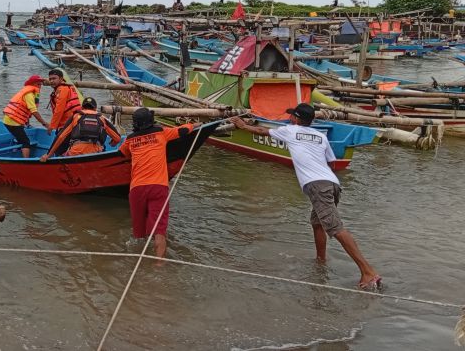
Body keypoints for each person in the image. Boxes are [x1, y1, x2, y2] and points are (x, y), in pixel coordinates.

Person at [230, 104, 381, 290]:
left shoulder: (290, 130)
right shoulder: (320, 136)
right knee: (317, 224)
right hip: (332, 183)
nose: (290, 118)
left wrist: (243, 126)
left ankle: (367, 271)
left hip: (317, 186)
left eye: (292, 116)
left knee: (335, 228)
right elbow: (331, 162)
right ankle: (321, 261)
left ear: (296, 119)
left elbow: (262, 130)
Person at [118, 108, 195, 260]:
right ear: (151, 121)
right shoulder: (161, 132)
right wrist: (194, 124)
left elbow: (122, 153)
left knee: (138, 234)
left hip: (137, 189)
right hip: (158, 187)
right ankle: (159, 265)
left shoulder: (130, 140)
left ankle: (136, 259)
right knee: (159, 232)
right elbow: (183, 130)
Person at [40, 98, 122, 161]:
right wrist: (112, 144)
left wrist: (48, 155)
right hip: (96, 153)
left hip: (76, 152)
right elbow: (118, 138)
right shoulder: (102, 118)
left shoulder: (76, 116)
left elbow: (61, 136)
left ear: (82, 107)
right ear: (95, 108)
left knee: (61, 155)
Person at [3, 75, 50, 158]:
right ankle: (26, 160)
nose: (40, 86)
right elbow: (34, 111)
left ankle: (17, 149)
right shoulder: (29, 94)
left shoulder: (28, 90)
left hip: (10, 119)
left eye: (40, 84)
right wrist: (44, 123)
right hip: (13, 121)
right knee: (26, 142)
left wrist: (27, 122)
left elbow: (26, 110)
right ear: (33, 83)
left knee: (20, 138)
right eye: (38, 84)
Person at [47, 69, 80, 134]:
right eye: (50, 79)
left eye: (54, 78)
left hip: (67, 124)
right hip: (74, 121)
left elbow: (59, 109)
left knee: (59, 140)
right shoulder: (66, 87)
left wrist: (52, 126)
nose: (51, 81)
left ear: (61, 79)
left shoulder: (62, 89)